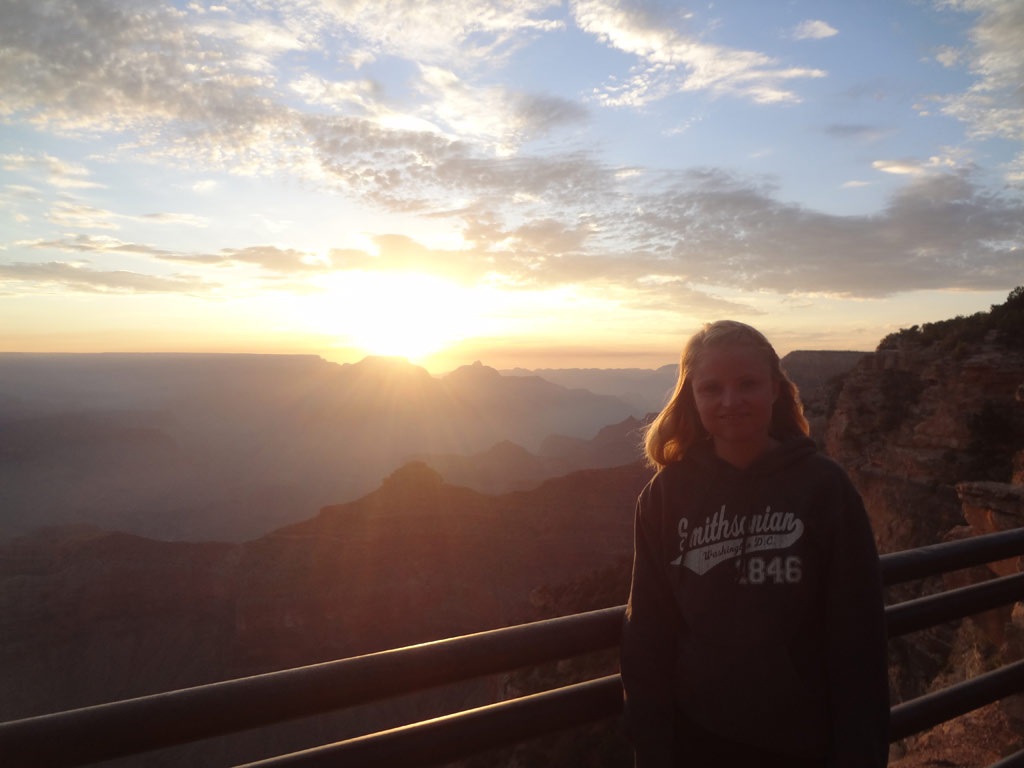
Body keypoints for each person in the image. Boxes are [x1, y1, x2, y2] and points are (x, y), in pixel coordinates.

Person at [620, 320, 888, 768]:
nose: (730, 401)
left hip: (805, 740)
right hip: (698, 739)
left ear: (775, 390)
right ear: (692, 397)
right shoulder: (665, 497)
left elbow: (858, 631)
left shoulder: (824, 488)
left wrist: (861, 750)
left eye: (747, 384)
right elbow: (647, 631)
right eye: (711, 388)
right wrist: (651, 747)